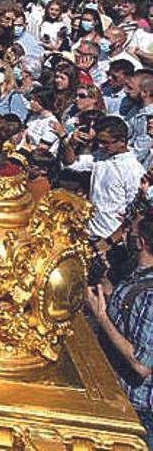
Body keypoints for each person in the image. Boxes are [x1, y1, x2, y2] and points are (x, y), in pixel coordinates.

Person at [86, 212, 153, 437]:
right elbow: (128, 309)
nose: (124, 238)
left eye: (129, 233)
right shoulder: (138, 273)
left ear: (141, 242)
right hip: (117, 394)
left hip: (137, 410)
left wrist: (102, 317)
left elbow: (142, 364)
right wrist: (103, 282)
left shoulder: (151, 296)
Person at [62, 116, 146, 248]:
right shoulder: (100, 156)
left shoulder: (133, 170)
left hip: (110, 237)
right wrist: (69, 143)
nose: (101, 145)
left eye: (105, 142)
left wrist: (111, 241)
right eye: (99, 141)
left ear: (122, 141)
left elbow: (135, 209)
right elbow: (71, 163)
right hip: (90, 229)